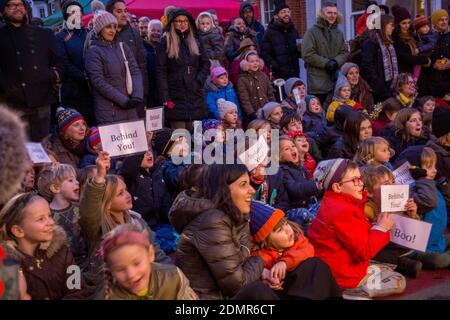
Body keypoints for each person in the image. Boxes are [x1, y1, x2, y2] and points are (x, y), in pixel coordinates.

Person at [169, 164, 279, 300]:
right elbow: (237, 285)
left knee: (308, 268)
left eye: (249, 184)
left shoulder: (234, 213)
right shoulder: (212, 220)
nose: (251, 190)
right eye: (243, 184)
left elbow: (242, 260)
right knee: (258, 291)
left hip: (226, 293)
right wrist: (260, 262)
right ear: (223, 189)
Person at [308, 159, 406, 299]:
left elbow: (357, 236)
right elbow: (364, 251)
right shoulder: (343, 210)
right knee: (398, 280)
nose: (361, 183)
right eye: (354, 180)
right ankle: (355, 292)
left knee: (386, 269)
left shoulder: (334, 203)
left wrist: (375, 226)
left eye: (360, 178)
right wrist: (381, 228)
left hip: (335, 268)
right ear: (337, 187)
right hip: (343, 274)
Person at [0, 193, 89, 299]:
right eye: (41, 219)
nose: (51, 222)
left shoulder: (62, 251)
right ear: (18, 231)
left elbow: (78, 288)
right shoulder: (8, 266)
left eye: (50, 215)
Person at [250, 201, 341, 299]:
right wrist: (265, 275)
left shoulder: (298, 239)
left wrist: (285, 262)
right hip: (280, 292)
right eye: (279, 230)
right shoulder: (260, 256)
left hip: (299, 285)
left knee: (317, 264)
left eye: (286, 223)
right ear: (265, 240)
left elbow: (308, 250)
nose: (288, 229)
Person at [0, 0, 64, 141]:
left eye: (20, 4)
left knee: (43, 148)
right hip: (12, 105)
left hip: (41, 101)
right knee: (18, 150)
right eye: (12, 5)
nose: (17, 8)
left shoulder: (43, 33)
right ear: (3, 10)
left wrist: (52, 75)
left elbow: (59, 61)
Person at [100, 224, 197, 300]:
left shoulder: (173, 278)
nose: (131, 275)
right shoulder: (109, 295)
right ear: (111, 270)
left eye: (137, 263)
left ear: (150, 254)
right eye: (120, 269)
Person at [361, 165, 423, 278]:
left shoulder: (400, 202)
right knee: (375, 256)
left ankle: (409, 260)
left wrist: (412, 214)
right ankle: (403, 263)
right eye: (386, 184)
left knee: (437, 258)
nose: (392, 186)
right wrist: (377, 224)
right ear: (369, 192)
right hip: (385, 249)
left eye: (393, 181)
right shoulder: (367, 209)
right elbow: (367, 240)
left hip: (405, 246)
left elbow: (413, 232)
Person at [85, 10, 143, 125]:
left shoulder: (123, 47)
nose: (112, 30)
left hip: (130, 107)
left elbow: (135, 71)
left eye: (114, 26)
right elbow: (98, 82)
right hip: (109, 110)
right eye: (108, 27)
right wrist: (123, 100)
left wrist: (137, 95)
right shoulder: (93, 51)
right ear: (100, 30)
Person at [156, 8, 210, 130]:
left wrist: (199, 81)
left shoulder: (196, 40)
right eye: (179, 21)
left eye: (185, 21)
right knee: (180, 140)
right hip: (175, 95)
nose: (183, 23)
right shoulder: (165, 41)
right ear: (173, 23)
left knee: (196, 139)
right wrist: (165, 97)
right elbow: (161, 71)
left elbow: (206, 63)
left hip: (194, 94)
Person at [397, 147, 450, 269]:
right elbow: (429, 201)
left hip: (437, 241)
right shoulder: (412, 190)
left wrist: (443, 183)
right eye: (429, 167)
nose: (435, 170)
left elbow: (446, 201)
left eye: (435, 166)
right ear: (415, 169)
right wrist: (423, 178)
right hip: (419, 247)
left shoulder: (429, 185)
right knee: (440, 260)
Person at [36, 164, 88, 268]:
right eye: (70, 180)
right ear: (55, 188)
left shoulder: (79, 208)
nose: (77, 182)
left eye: (76, 179)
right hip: (61, 266)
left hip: (84, 262)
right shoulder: (47, 214)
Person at [105, 0, 148, 118]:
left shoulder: (134, 33)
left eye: (125, 11)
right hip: (111, 97)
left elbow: (142, 65)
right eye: (119, 11)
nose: (124, 14)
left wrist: (142, 92)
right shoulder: (98, 35)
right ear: (109, 14)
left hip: (135, 95)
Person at [56, 0, 95, 126]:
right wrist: (84, 76)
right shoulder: (60, 37)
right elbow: (64, 63)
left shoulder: (90, 33)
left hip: (93, 89)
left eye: (79, 12)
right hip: (73, 91)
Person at [302, 2, 347, 104]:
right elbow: (307, 54)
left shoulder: (339, 33)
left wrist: (336, 61)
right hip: (317, 83)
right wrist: (326, 63)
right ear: (322, 14)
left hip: (335, 82)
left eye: (335, 13)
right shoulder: (312, 32)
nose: (332, 16)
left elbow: (344, 52)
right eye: (329, 13)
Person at [118, 149, 171, 229]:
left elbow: (165, 203)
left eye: (149, 150)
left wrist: (174, 218)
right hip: (139, 228)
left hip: (160, 226)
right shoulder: (131, 177)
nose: (149, 154)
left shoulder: (158, 173)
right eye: (143, 153)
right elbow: (127, 171)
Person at [361, 14, 398, 103]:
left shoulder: (390, 43)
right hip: (379, 88)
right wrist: (377, 85)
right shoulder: (370, 43)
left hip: (391, 85)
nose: (393, 28)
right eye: (391, 25)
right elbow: (368, 66)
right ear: (383, 25)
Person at [279, 136, 321, 210]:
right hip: (294, 209)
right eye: (287, 149)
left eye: (293, 146)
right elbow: (294, 189)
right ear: (279, 156)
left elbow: (306, 183)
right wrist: (315, 185)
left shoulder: (301, 167)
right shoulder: (282, 170)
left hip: (307, 204)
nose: (292, 149)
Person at [262, 1, 301, 80]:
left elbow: (298, 51)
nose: (287, 14)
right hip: (279, 75)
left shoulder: (293, 30)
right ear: (276, 16)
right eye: (283, 12)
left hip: (294, 72)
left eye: (288, 12)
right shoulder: (269, 32)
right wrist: (276, 66)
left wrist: (301, 50)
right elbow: (265, 54)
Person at [391, 5, 430, 77]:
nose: (407, 26)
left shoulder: (413, 35)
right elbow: (404, 57)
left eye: (409, 22)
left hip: (417, 71)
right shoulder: (395, 37)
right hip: (404, 74)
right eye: (404, 23)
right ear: (397, 24)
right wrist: (424, 59)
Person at [236, 51, 275, 119]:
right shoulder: (242, 79)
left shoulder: (263, 76)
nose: (255, 63)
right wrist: (251, 113)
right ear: (245, 64)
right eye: (252, 61)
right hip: (254, 112)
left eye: (257, 61)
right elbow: (244, 99)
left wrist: (274, 106)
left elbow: (270, 93)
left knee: (272, 129)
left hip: (267, 110)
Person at [144, 19, 163, 107]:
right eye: (153, 30)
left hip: (161, 91)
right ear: (148, 31)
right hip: (146, 91)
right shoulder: (141, 47)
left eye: (159, 31)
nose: (156, 33)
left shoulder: (164, 48)